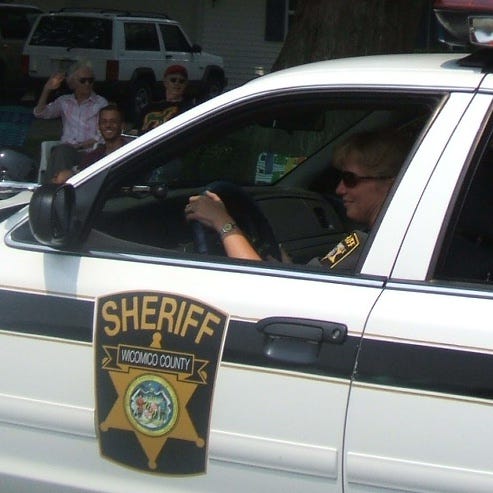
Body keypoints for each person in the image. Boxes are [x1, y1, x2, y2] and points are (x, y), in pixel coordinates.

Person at [184, 129, 410, 269]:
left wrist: (224, 224)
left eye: (350, 179)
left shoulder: (367, 248)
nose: (339, 189)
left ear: (390, 185)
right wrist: (280, 259)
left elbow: (261, 288)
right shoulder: (392, 243)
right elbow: (310, 282)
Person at [33, 59, 108, 183]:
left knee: (61, 152)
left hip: (88, 153)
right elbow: (40, 113)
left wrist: (79, 146)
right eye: (83, 80)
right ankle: (55, 189)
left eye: (91, 80)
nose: (87, 84)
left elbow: (102, 136)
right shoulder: (64, 101)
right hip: (64, 151)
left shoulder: (100, 103)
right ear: (72, 83)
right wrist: (47, 89)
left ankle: (49, 190)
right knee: (61, 152)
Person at [51, 104, 131, 184]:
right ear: (99, 126)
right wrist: (68, 174)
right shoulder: (96, 154)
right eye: (104, 122)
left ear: (122, 125)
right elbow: (80, 171)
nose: (108, 125)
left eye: (113, 122)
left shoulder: (131, 151)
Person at [135, 64, 195, 134]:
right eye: (173, 80)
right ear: (165, 82)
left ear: (185, 84)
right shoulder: (149, 108)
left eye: (181, 81)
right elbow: (134, 131)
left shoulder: (188, 110)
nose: (177, 83)